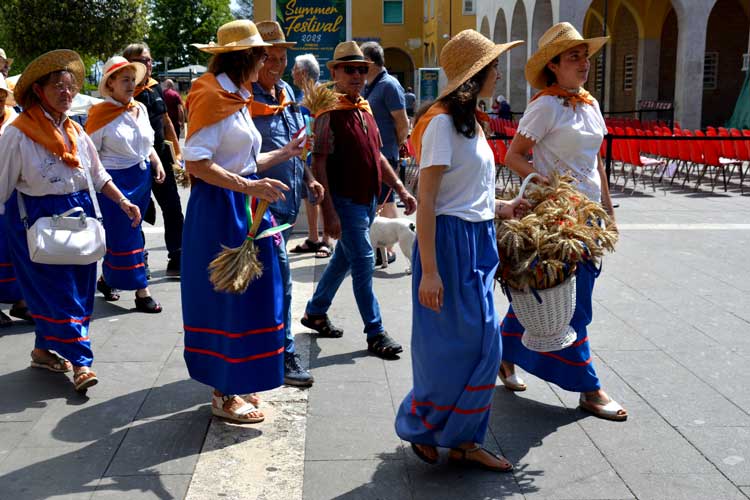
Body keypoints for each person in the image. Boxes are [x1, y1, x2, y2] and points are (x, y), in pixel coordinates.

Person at [394, 30, 525, 471]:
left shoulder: (471, 123)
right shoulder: (443, 124)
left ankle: (465, 439)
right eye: (493, 66)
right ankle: (427, 425)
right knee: (446, 346)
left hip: (478, 239)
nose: (499, 71)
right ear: (476, 75)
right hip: (448, 245)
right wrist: (429, 271)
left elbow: (468, 190)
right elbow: (428, 201)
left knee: (484, 344)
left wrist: (503, 207)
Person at [499, 22, 627, 421]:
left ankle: (503, 355)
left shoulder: (589, 103)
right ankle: (589, 388)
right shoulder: (545, 105)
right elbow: (514, 156)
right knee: (575, 302)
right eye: (574, 56)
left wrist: (606, 209)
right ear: (553, 65)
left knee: (551, 294)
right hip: (557, 220)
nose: (584, 62)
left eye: (585, 55)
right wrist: (553, 192)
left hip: (587, 218)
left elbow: (596, 163)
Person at [182, 20, 305, 424]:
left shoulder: (236, 95)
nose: (269, 61)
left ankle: (236, 377)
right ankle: (223, 392)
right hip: (220, 209)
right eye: (263, 55)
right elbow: (197, 163)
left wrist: (286, 153)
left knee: (255, 294)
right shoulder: (211, 95)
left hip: (241, 202)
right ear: (246, 58)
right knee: (228, 298)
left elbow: (246, 161)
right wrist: (248, 188)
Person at [0, 50, 141, 392]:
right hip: (34, 220)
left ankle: (42, 350)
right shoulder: (17, 134)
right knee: (59, 292)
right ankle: (81, 361)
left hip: (77, 216)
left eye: (70, 87)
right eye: (57, 87)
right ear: (38, 90)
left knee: (78, 289)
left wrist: (123, 202)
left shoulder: (76, 130)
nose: (66, 93)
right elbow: (2, 186)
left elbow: (97, 174)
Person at [300, 41, 417, 359]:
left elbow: (377, 155)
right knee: (364, 260)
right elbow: (319, 161)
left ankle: (315, 311)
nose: (356, 74)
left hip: (367, 201)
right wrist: (329, 213)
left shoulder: (363, 108)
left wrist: (401, 188)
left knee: (343, 260)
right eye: (349, 69)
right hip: (345, 202)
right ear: (335, 71)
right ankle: (376, 332)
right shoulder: (327, 112)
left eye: (362, 69)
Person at [252, 20, 322, 387]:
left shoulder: (287, 98)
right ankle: (285, 353)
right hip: (258, 211)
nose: (277, 65)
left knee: (268, 284)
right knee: (283, 282)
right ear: (255, 58)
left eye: (282, 57)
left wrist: (310, 179)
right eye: (270, 58)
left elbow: (298, 149)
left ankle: (261, 352)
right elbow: (241, 157)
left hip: (285, 206)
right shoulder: (244, 102)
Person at [87, 56, 166, 313]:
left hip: (141, 181)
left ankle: (107, 279)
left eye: (133, 79)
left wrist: (157, 162)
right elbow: (90, 155)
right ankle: (142, 292)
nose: (131, 84)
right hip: (115, 184)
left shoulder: (140, 109)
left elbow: (147, 144)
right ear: (110, 84)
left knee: (126, 236)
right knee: (128, 236)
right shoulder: (99, 114)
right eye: (125, 80)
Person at [122, 43, 184, 278]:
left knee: (173, 206)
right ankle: (139, 261)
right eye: (140, 60)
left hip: (161, 160)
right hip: (134, 163)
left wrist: (178, 156)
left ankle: (178, 255)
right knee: (137, 211)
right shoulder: (124, 92)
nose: (146, 64)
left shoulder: (155, 88)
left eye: (148, 59)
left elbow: (167, 122)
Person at [361, 41, 409, 266]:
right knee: (381, 203)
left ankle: (389, 250)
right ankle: (385, 249)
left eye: (361, 62)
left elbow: (402, 122)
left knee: (386, 203)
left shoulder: (389, 85)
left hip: (386, 155)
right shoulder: (370, 85)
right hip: (372, 155)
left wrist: (394, 148)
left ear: (370, 62)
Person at [289, 53, 333, 258]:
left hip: (320, 156)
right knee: (309, 197)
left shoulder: (320, 95)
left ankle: (327, 240)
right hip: (304, 157)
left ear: (303, 73)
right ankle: (313, 238)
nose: (291, 74)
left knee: (322, 197)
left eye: (294, 70)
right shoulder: (300, 96)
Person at [0, 74, 31, 326]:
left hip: (14, 196)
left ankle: (20, 302)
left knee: (16, 250)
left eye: (1, 96)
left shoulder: (16, 121)